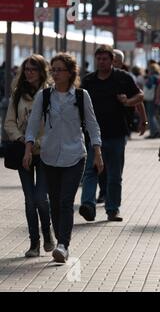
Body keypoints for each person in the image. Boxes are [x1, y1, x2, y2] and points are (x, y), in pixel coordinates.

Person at [23, 53, 103, 263]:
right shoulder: (45, 95)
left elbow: (92, 125)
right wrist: (28, 149)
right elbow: (32, 124)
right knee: (55, 203)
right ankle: (60, 237)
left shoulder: (80, 95)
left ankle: (63, 245)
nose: (56, 74)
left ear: (70, 73)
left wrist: (97, 152)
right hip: (49, 156)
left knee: (67, 201)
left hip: (75, 155)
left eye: (60, 70)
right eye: (53, 70)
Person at [79, 45, 145, 223]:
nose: (101, 62)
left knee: (114, 174)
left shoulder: (122, 78)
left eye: (105, 59)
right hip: (93, 136)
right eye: (98, 59)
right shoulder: (88, 81)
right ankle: (88, 205)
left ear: (112, 60)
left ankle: (112, 209)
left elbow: (140, 95)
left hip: (116, 133)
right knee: (91, 171)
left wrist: (127, 101)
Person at [4, 54, 55, 258]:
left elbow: (54, 125)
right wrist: (21, 139)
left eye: (33, 69)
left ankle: (48, 233)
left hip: (44, 153)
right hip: (22, 153)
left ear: (42, 71)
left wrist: (37, 143)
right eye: (26, 69)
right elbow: (9, 123)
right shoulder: (17, 95)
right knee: (29, 200)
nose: (29, 73)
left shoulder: (50, 94)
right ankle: (34, 243)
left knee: (41, 198)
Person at [144, 63, 160, 139]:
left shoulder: (152, 77)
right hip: (158, 99)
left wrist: (146, 81)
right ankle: (157, 131)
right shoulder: (159, 76)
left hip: (151, 98)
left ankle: (153, 133)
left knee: (150, 116)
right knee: (156, 116)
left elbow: (148, 85)